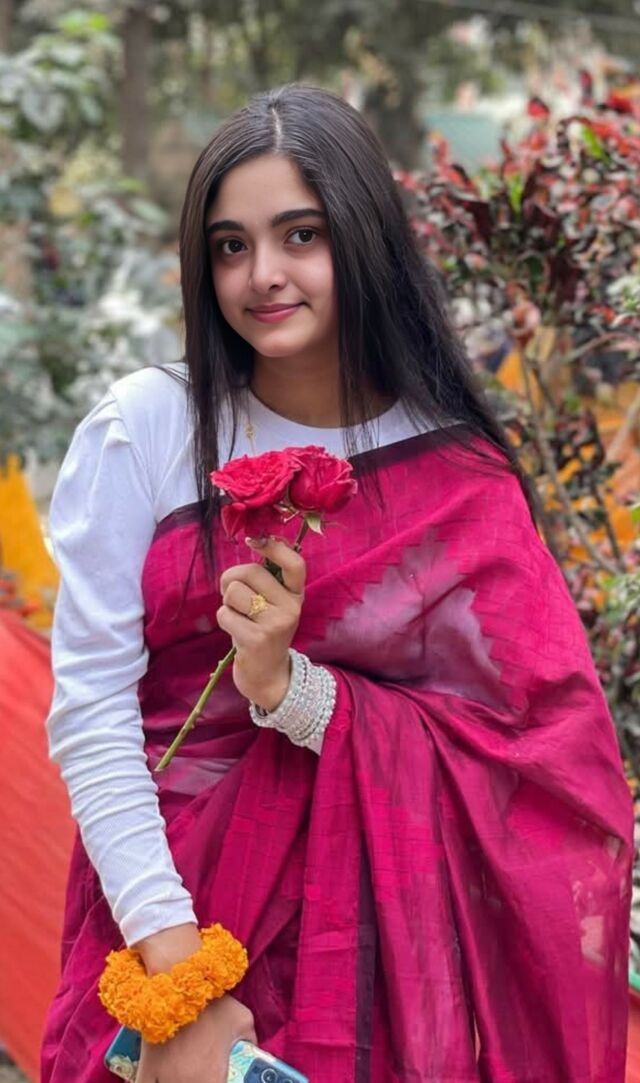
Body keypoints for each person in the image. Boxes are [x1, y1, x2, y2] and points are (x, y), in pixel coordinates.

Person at [41, 84, 632, 1083]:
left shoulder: (456, 468)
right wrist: (182, 979)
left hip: (390, 961)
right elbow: (91, 712)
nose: (261, 275)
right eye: (230, 246)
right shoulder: (146, 429)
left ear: (362, 237)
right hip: (167, 915)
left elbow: (542, 756)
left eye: (299, 234)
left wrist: (290, 689)